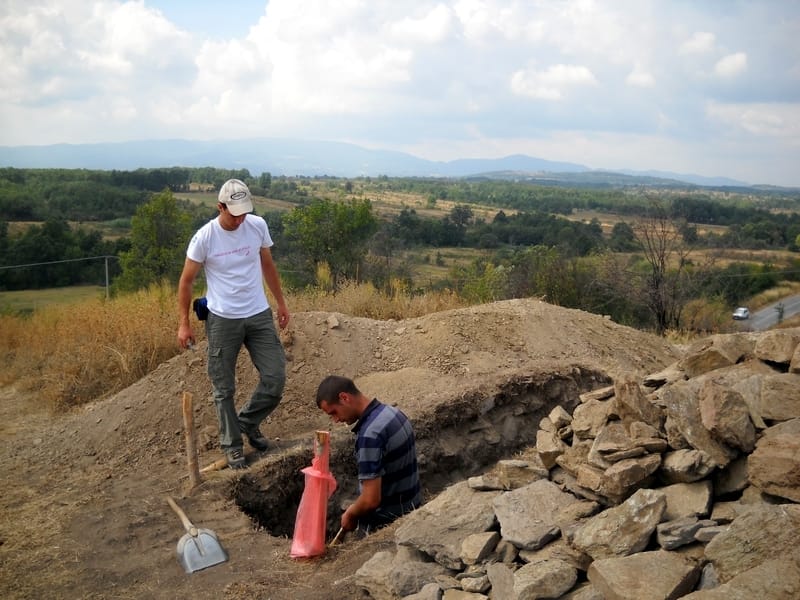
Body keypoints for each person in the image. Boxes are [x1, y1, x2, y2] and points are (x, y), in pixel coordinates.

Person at [177, 178, 289, 470]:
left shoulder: (257, 226)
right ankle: (233, 445)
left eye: (244, 212)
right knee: (223, 388)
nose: (240, 218)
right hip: (223, 318)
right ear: (220, 206)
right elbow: (186, 281)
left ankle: (246, 423)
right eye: (234, 213)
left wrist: (281, 302)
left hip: (258, 313)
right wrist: (184, 324)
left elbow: (267, 264)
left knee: (275, 378)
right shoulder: (205, 238)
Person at [315, 375, 421, 534]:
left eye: (334, 412)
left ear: (344, 398)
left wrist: (351, 513)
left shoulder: (370, 436)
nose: (335, 420)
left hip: (389, 522)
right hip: (413, 505)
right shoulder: (392, 412)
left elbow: (371, 500)